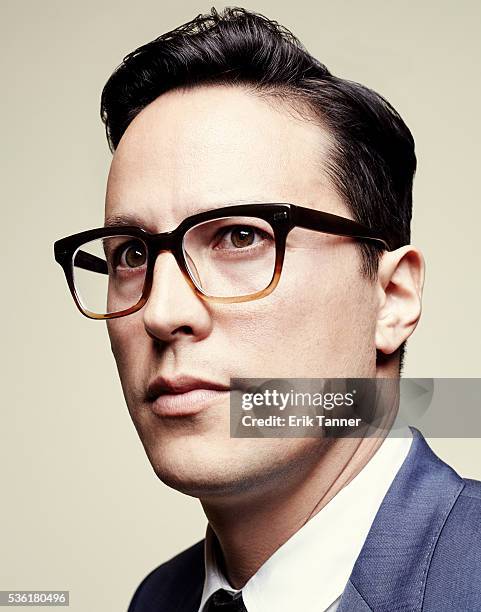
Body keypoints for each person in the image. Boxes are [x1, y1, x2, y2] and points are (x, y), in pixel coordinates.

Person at [53, 7, 481, 611]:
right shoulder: (158, 599)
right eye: (131, 253)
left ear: (392, 298)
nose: (162, 312)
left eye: (240, 237)